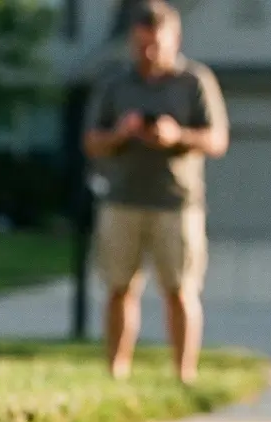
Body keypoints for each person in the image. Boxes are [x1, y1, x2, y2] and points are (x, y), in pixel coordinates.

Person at [82, 0, 229, 384]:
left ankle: (184, 373)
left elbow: (217, 139)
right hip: (122, 200)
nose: (147, 53)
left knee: (180, 290)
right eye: (140, 45)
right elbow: (92, 141)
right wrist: (120, 134)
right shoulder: (115, 83)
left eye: (154, 45)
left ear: (174, 39)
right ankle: (116, 369)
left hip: (176, 204)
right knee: (118, 288)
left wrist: (175, 135)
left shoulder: (194, 81)